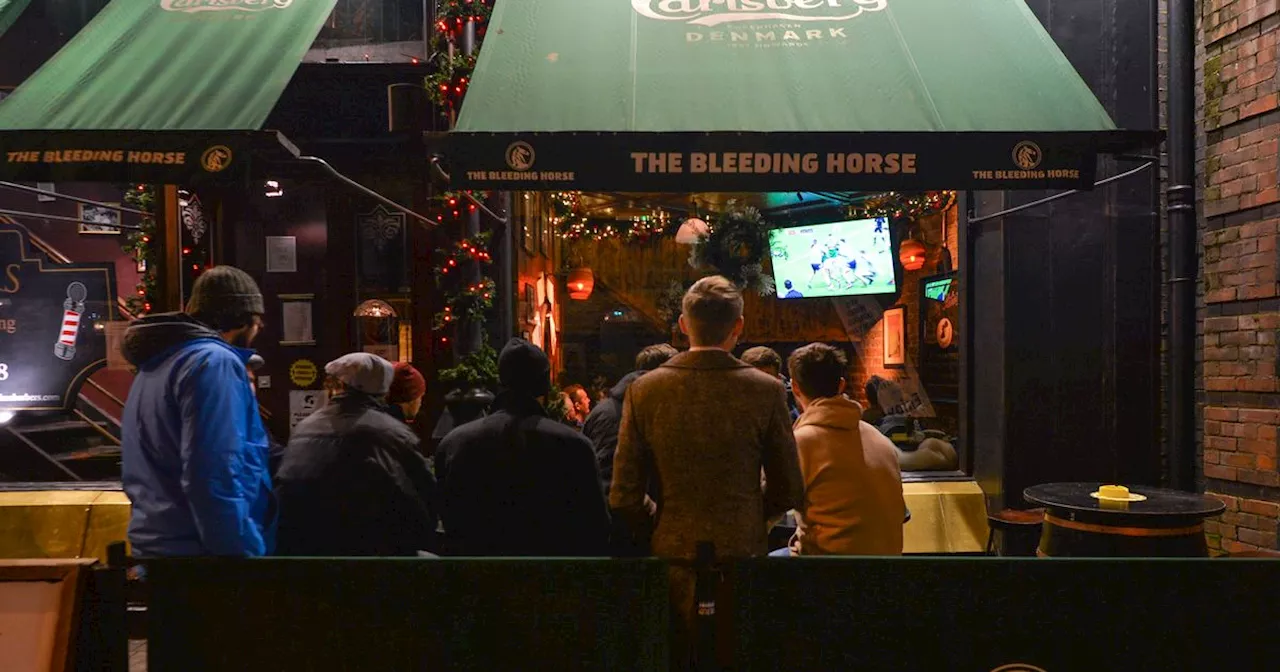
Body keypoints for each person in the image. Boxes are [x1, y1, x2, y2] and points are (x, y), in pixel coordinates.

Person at [611, 275, 802, 667]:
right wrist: (751, 516)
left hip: (673, 557)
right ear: (739, 326)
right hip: (743, 556)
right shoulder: (765, 391)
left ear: (683, 325)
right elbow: (787, 488)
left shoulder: (645, 390)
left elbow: (623, 496)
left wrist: (661, 521)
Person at [121, 265, 273, 557]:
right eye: (257, 319)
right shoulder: (214, 363)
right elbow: (213, 472)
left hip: (161, 544)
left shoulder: (157, 364)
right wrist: (243, 553)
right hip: (201, 556)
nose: (260, 328)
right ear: (243, 319)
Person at [435, 338, 610, 556]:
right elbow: (595, 523)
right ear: (545, 385)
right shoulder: (574, 445)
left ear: (502, 379)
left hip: (478, 577)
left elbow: (448, 517)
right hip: (552, 575)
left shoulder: (455, 442)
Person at [275, 353, 439, 557]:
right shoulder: (391, 431)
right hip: (366, 553)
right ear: (383, 388)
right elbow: (425, 496)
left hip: (301, 549)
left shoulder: (304, 427)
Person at [785, 343, 904, 556]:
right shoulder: (879, 438)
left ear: (795, 387)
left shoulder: (801, 442)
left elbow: (773, 504)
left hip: (832, 573)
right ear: (841, 385)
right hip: (887, 571)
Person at [584, 343, 678, 556]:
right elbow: (611, 480)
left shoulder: (610, 408)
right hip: (629, 539)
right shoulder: (621, 414)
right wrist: (653, 514)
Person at [741, 346, 800, 421]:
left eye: (767, 379)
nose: (760, 386)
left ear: (778, 378)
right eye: (755, 379)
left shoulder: (792, 403)